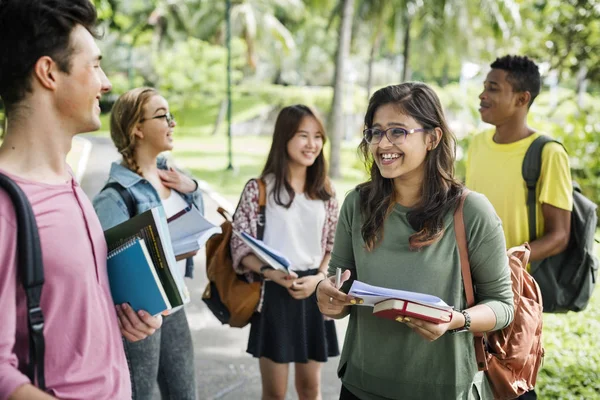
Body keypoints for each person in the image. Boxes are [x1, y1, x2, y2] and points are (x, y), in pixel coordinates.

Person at [0, 1, 161, 399]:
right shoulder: (5, 208)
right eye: (94, 66)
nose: (105, 83)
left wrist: (117, 315)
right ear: (49, 73)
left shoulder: (68, 181)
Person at [316, 83, 515, 400]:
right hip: (361, 386)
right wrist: (328, 296)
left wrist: (456, 321)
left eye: (397, 131)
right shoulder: (357, 203)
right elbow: (337, 288)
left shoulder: (472, 211)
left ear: (432, 138)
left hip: (444, 389)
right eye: (375, 132)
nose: (383, 143)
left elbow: (503, 307)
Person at [466, 55, 573, 399]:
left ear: (522, 98)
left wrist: (513, 258)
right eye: (483, 87)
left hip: (516, 288)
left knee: (511, 379)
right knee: (471, 373)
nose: (482, 95)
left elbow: (559, 234)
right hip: (469, 281)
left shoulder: (548, 152)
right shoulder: (477, 145)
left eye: (493, 88)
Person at [93, 87, 204, 400]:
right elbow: (104, 270)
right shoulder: (114, 196)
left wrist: (192, 187)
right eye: (162, 115)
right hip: (140, 316)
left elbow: (196, 225)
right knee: (138, 394)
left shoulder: (173, 175)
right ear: (136, 128)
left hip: (175, 305)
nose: (172, 122)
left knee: (184, 394)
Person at [230, 104, 340, 400]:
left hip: (314, 293)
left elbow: (333, 244)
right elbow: (239, 244)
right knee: (275, 393)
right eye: (303, 135)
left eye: (318, 136)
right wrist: (272, 274)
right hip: (274, 292)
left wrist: (318, 278)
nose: (312, 144)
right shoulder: (259, 189)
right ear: (284, 138)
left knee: (310, 389)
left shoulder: (325, 192)